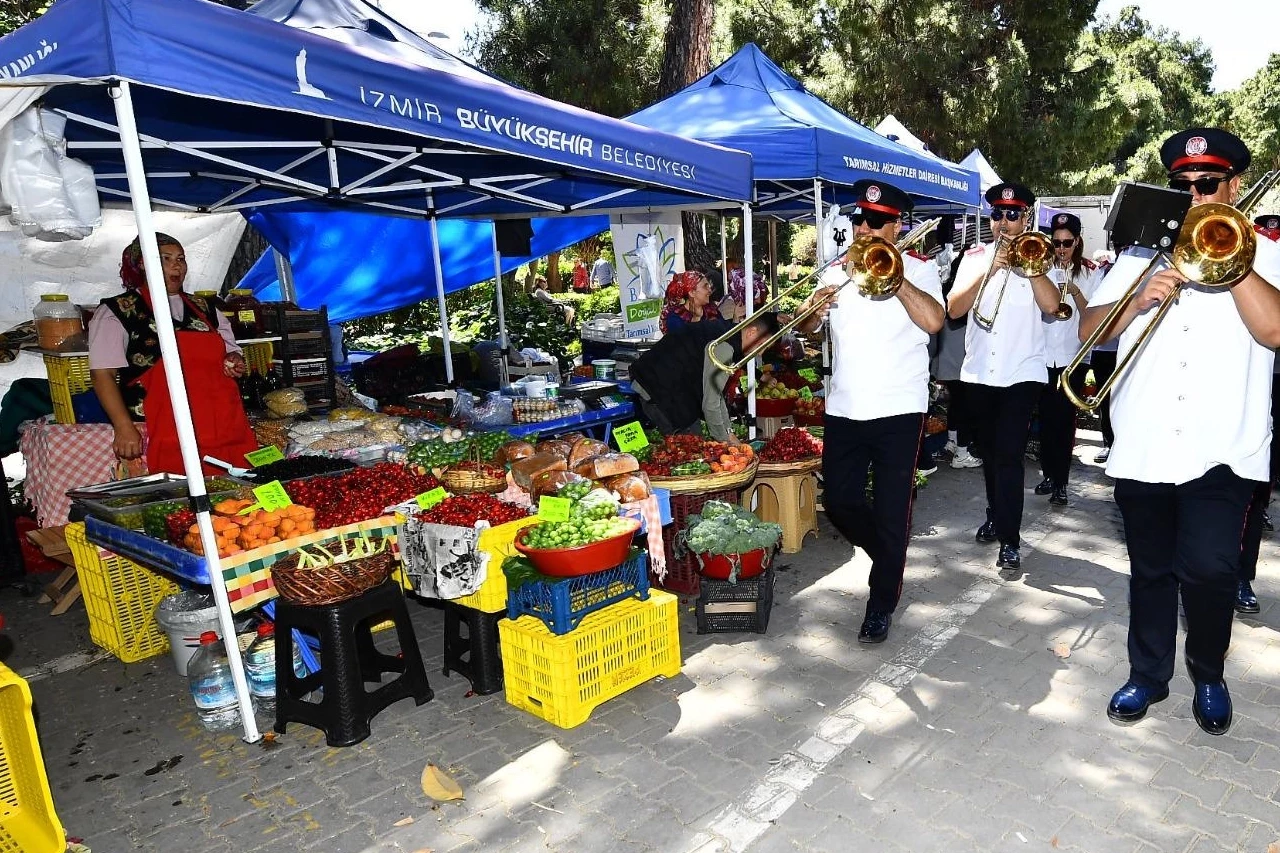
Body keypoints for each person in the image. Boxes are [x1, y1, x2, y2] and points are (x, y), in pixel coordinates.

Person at [1080, 128, 1280, 735]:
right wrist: (1138, 299)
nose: (1194, 195)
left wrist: (1231, 262)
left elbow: (1274, 331)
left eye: (1207, 183)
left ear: (1233, 187)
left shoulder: (1265, 254)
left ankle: (1208, 672)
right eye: (1183, 184)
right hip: (1145, 444)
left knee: (1211, 571)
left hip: (1224, 449)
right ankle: (1148, 676)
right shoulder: (1141, 255)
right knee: (1150, 570)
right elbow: (1088, 330)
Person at [794, 180, 945, 644]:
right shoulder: (835, 270)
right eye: (859, 219)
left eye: (876, 222)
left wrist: (895, 279)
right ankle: (889, 556)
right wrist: (813, 311)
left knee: (892, 509)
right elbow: (808, 330)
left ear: (897, 226)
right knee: (840, 502)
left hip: (900, 408)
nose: (864, 228)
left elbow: (934, 321)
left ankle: (880, 604)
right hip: (846, 405)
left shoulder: (920, 269)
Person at [946, 183, 1064, 570]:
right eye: (997, 214)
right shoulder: (975, 257)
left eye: (1012, 215)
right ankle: (996, 514)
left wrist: (1030, 268)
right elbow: (953, 310)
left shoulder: (1040, 257)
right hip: (979, 372)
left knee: (1010, 456)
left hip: (1021, 373)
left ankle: (1010, 539)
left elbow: (1052, 306)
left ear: (1026, 218)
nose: (1004, 222)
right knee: (991, 454)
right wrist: (990, 269)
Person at [88, 233, 257, 475]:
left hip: (222, 426)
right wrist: (123, 426)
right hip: (163, 430)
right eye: (165, 259)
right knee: (178, 494)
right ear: (143, 264)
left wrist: (234, 360)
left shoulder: (205, 307)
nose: (176, 266)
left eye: (180, 259)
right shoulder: (119, 311)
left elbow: (231, 349)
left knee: (235, 493)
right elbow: (102, 374)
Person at [1034, 213, 1100, 506]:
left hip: (1073, 357)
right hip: (1043, 354)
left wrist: (1075, 292)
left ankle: (1061, 481)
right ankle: (1049, 473)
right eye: (1057, 243)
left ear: (1077, 242)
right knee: (1045, 420)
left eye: (1067, 243)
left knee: (1063, 422)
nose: (1061, 249)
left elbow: (1093, 317)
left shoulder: (1089, 273)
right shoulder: (1041, 267)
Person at [629, 313, 781, 441]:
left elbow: (717, 393)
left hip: (667, 385)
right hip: (658, 388)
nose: (760, 353)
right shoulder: (724, 347)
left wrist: (728, 432)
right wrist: (726, 440)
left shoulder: (728, 334)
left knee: (694, 440)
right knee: (691, 447)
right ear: (752, 332)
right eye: (761, 346)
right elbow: (711, 403)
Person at [1236, 213, 1280, 616]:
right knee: (1250, 491)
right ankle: (1236, 577)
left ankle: (1241, 575)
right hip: (1254, 385)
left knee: (1256, 489)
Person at [932, 251, 982, 469]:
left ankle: (952, 442)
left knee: (957, 402)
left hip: (947, 356)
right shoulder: (966, 290)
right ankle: (961, 451)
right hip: (961, 355)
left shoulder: (947, 287)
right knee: (965, 404)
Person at [659, 270, 720, 335]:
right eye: (705, 287)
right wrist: (696, 318)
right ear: (692, 292)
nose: (710, 290)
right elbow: (686, 339)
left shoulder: (712, 310)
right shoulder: (675, 318)